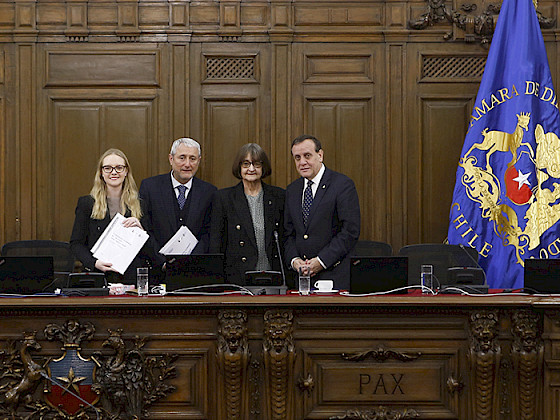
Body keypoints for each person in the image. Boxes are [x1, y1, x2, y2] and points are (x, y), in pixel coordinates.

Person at [284, 135, 360, 290]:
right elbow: (287, 233)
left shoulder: (342, 185)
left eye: (307, 156)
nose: (302, 162)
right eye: (297, 158)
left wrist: (321, 261)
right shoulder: (292, 190)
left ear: (320, 155)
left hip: (334, 276)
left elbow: (350, 231)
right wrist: (294, 260)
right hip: (301, 280)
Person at [70, 148, 150, 283]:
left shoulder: (140, 205)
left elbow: (150, 250)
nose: (114, 172)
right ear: (101, 173)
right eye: (107, 168)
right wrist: (94, 263)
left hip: (131, 280)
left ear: (126, 172)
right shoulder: (87, 203)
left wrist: (142, 233)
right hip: (98, 278)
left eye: (119, 167)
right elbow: (76, 244)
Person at [209, 143, 285, 284]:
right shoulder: (224, 198)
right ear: (239, 167)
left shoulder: (279, 197)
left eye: (256, 164)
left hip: (273, 277)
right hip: (237, 279)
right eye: (246, 164)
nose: (251, 169)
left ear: (264, 167)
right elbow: (216, 244)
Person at [139, 137, 217, 269]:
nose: (187, 164)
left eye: (192, 159)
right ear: (171, 159)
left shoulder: (209, 192)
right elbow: (144, 228)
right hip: (157, 270)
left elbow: (209, 233)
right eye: (182, 158)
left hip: (195, 270)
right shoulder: (150, 187)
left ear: (198, 161)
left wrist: (192, 262)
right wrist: (161, 262)